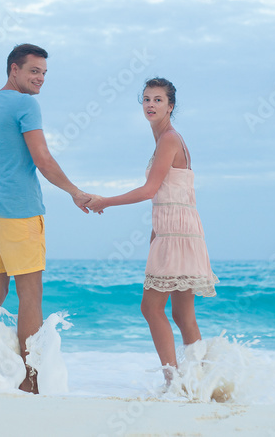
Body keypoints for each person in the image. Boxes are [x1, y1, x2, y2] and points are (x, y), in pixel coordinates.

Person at [0, 43, 94, 393]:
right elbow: (43, 159)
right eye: (34, 71)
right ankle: (30, 382)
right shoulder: (25, 104)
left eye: (44, 73)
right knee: (30, 296)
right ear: (13, 70)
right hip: (20, 215)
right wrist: (75, 192)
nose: (40, 79)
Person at [86, 77, 218, 385]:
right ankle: (200, 379)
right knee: (182, 314)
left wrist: (105, 200)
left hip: (177, 233)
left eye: (158, 100)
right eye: (146, 99)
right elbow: (170, 194)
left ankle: (174, 380)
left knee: (151, 307)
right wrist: (156, 232)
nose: (150, 104)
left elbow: (149, 190)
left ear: (170, 107)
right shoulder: (166, 139)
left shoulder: (170, 139)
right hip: (177, 230)